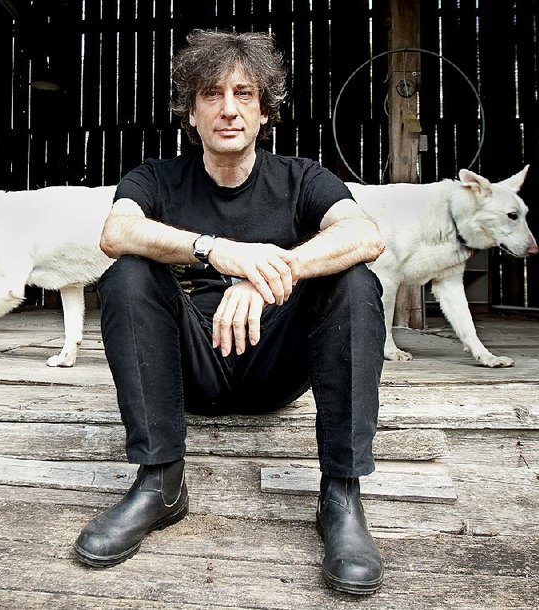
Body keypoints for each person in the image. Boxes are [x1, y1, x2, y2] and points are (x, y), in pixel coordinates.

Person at [74, 29, 387, 595]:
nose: (228, 109)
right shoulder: (155, 179)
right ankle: (160, 484)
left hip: (276, 368)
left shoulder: (303, 179)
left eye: (244, 94)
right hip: (191, 369)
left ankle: (341, 496)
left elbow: (365, 235)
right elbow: (116, 232)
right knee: (126, 272)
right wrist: (216, 250)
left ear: (265, 110)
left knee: (354, 280)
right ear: (190, 111)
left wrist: (267, 276)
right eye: (212, 94)